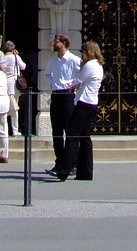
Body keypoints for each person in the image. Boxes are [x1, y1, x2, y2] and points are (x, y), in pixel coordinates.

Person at [51, 40, 105, 182]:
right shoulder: (98, 65)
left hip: (83, 103)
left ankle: (63, 170)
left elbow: (76, 82)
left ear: (89, 52)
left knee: (72, 136)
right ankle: (85, 172)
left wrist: (64, 85)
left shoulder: (90, 65)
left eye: (83, 52)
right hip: (91, 103)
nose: (82, 55)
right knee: (85, 138)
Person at [44, 33, 81, 172]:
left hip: (68, 96)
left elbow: (82, 74)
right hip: (56, 95)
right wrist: (54, 83)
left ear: (63, 43)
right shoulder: (53, 61)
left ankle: (73, 162)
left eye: (56, 41)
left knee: (69, 129)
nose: (53, 44)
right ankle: (59, 162)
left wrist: (73, 84)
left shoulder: (73, 59)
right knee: (57, 131)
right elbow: (47, 74)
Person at [0, 40, 26, 137]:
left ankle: (4, 130)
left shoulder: (2, 57)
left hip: (4, 83)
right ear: (13, 48)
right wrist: (17, 55)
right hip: (14, 85)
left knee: (5, 108)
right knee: (14, 108)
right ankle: (15, 130)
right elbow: (23, 67)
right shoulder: (15, 57)